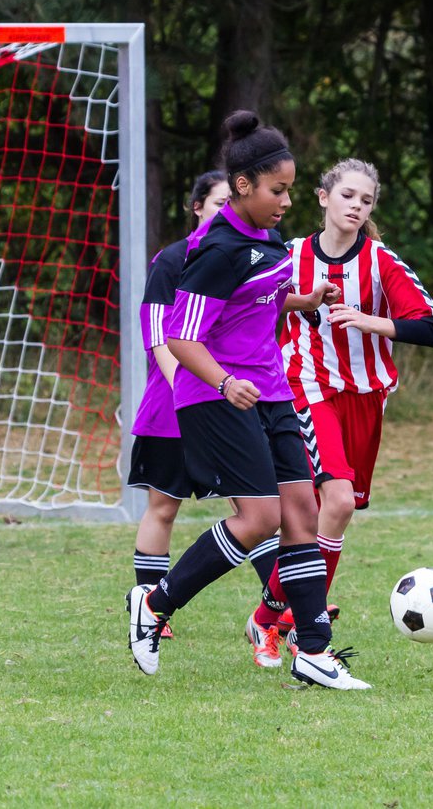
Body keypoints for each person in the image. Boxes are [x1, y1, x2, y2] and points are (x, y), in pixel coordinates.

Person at [126, 110, 370, 690]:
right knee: (259, 519)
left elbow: (258, 299)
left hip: (270, 388)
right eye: (277, 190)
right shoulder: (216, 250)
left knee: (302, 513)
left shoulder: (265, 237)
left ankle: (313, 650)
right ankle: (155, 605)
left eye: (288, 189)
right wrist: (223, 383)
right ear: (243, 187)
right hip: (217, 396)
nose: (286, 201)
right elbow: (182, 336)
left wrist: (304, 300)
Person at [248, 158, 433, 655]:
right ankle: (299, 626)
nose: (357, 206)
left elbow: (428, 326)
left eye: (367, 200)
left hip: (365, 397)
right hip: (305, 388)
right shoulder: (286, 255)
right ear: (323, 197)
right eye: (348, 195)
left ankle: (269, 614)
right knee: (329, 503)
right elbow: (248, 308)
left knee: (335, 512)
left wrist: (365, 320)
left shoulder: (380, 262)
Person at [127, 171, 237, 640]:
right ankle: (150, 605)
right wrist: (193, 393)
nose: (226, 212)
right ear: (197, 208)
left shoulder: (240, 257)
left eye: (232, 204)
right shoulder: (172, 260)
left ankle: (284, 607)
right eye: (218, 204)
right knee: (163, 508)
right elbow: (159, 339)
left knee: (257, 506)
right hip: (173, 408)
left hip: (230, 401)